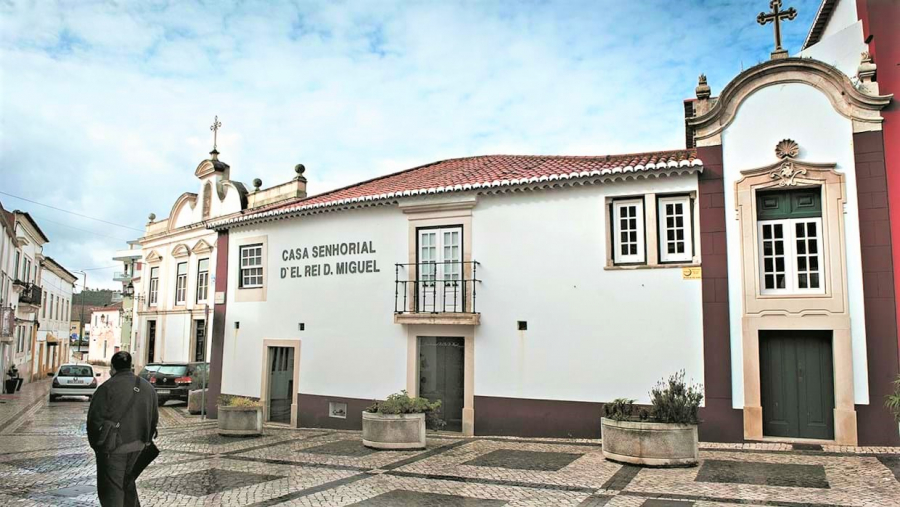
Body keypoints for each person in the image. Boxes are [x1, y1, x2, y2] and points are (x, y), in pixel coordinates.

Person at [87, 351, 158, 507]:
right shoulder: (147, 388)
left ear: (112, 367)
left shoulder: (107, 388)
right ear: (130, 365)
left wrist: (98, 446)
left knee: (113, 490)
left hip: (114, 448)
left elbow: (94, 420)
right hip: (139, 447)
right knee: (128, 484)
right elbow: (154, 419)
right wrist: (146, 441)